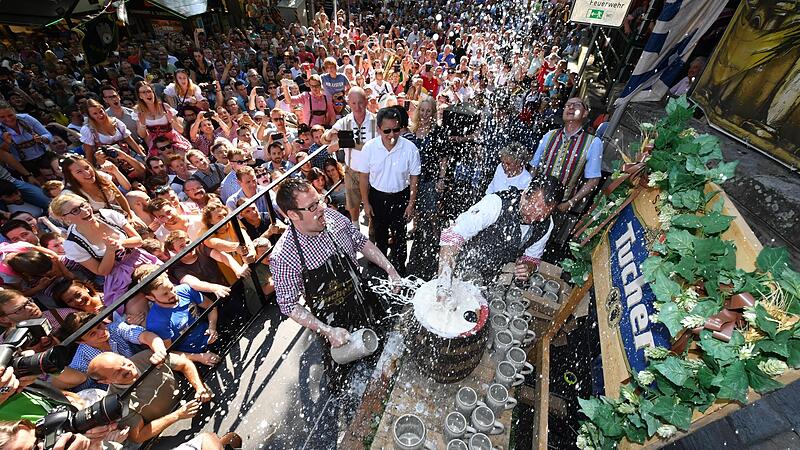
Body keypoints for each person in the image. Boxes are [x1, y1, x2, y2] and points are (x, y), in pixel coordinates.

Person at [269, 178, 400, 387]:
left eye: (319, 200)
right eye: (312, 207)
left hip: (363, 301)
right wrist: (327, 331)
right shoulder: (284, 256)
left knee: (384, 350)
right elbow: (288, 305)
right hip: (333, 324)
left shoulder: (334, 218)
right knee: (347, 380)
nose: (321, 209)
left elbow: (360, 241)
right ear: (292, 214)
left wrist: (390, 269)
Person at [438, 176, 563, 284]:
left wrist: (527, 268)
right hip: (462, 266)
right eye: (534, 209)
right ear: (524, 194)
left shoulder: (546, 225)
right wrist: (444, 280)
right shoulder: (495, 204)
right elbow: (453, 235)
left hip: (493, 276)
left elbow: (532, 258)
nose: (536, 218)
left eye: (543, 215)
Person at [49, 192, 160, 308]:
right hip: (119, 278)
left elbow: (138, 240)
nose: (85, 211)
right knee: (138, 308)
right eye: (75, 210)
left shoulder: (108, 215)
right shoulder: (72, 244)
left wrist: (120, 243)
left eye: (84, 204)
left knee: (160, 287)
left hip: (141, 260)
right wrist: (110, 251)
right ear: (65, 218)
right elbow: (101, 271)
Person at [88, 350, 211, 443]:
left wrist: (199, 388)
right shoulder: (117, 404)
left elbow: (184, 364)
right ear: (105, 382)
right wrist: (177, 415)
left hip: (194, 398)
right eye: (118, 372)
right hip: (173, 428)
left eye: (125, 363)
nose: (127, 369)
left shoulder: (147, 357)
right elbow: (139, 436)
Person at [355, 107, 420, 275]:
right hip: (377, 197)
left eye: (396, 130)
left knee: (400, 235)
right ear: (378, 130)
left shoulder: (410, 149)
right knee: (380, 235)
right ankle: (381, 269)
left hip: (401, 197)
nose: (392, 134)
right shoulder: (369, 148)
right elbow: (363, 178)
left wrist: (411, 203)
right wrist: (366, 203)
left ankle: (400, 268)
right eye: (387, 131)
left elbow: (414, 177)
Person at [530, 97, 602, 213]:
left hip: (561, 205)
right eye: (568, 105)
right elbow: (534, 166)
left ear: (585, 113)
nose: (571, 107)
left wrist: (571, 202)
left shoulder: (593, 143)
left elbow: (593, 180)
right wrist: (530, 191)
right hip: (536, 199)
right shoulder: (549, 135)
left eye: (577, 105)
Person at [323, 87, 378, 222]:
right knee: (352, 205)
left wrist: (351, 144)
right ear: (349, 104)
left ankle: (372, 235)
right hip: (352, 170)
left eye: (360, 102)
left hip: (372, 172)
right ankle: (355, 229)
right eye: (353, 103)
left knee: (372, 206)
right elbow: (325, 139)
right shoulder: (345, 121)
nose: (357, 106)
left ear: (366, 102)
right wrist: (330, 136)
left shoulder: (376, 121)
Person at [79, 99, 145, 166]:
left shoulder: (115, 121)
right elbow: (89, 153)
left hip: (127, 155)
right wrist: (93, 168)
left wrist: (142, 155)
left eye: (101, 111)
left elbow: (129, 140)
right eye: (95, 114)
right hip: (108, 163)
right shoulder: (88, 130)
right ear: (90, 116)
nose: (100, 115)